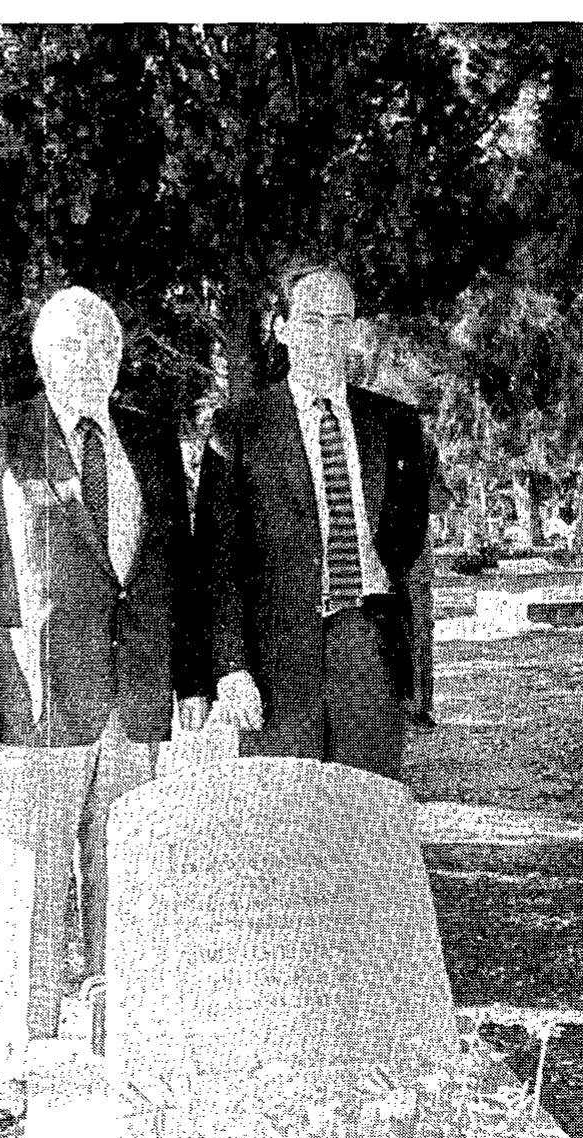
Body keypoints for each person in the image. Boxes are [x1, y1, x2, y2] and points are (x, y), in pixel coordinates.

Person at [0, 286, 210, 1048]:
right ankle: (19, 1059)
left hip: (133, 702)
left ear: (121, 358)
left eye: (105, 344)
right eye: (73, 343)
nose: (90, 357)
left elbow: (172, 571)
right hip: (38, 702)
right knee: (32, 882)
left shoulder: (150, 439)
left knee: (123, 878)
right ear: (40, 354)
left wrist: (187, 677)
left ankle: (116, 1045)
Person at [194, 257, 429, 780]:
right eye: (311, 319)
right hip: (275, 654)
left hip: (367, 641)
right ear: (281, 329)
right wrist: (230, 669)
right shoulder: (237, 428)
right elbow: (218, 563)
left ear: (355, 331)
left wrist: (417, 674)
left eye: (340, 321)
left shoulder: (395, 424)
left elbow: (411, 552)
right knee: (286, 822)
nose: (326, 336)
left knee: (367, 814)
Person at [406, 431, 449, 730]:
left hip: (414, 561)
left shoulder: (423, 446)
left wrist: (413, 484)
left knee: (419, 633)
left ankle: (419, 706)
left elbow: (442, 499)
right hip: (369, 562)